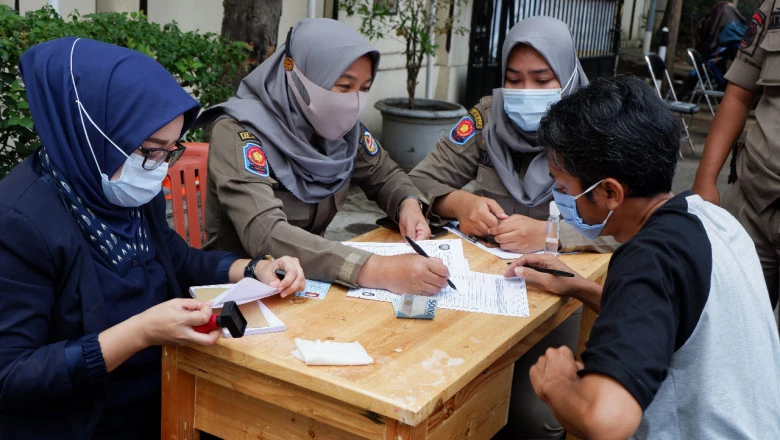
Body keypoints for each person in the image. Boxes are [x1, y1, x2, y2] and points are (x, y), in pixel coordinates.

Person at [0, 37, 306, 439]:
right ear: (94, 133)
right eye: (150, 150)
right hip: (85, 421)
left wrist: (253, 267)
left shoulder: (115, 184)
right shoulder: (19, 220)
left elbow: (172, 256)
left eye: (169, 151)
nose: (158, 167)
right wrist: (140, 332)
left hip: (169, 390)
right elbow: (12, 376)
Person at [505, 75, 780, 439]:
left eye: (561, 186)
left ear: (609, 192)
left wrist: (558, 384)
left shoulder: (648, 259)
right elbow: (674, 320)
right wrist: (582, 288)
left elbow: (605, 418)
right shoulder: (710, 219)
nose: (558, 198)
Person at [197, 18, 449, 295]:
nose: (354, 101)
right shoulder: (237, 133)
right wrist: (375, 269)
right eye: (343, 86)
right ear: (299, 77)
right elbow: (266, 233)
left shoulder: (342, 129)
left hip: (312, 282)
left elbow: (384, 175)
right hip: (241, 290)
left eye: (364, 88)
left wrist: (408, 204)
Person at [409, 16, 618, 255]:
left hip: (569, 279)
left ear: (568, 76)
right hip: (487, 271)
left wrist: (555, 234)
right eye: (514, 79)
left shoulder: (600, 128)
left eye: (542, 80)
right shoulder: (488, 120)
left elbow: (641, 223)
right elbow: (412, 185)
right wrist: (458, 204)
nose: (526, 91)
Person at [692, 0, 780, 312]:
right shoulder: (775, 8)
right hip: (753, 199)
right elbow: (738, 95)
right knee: (731, 319)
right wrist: (705, 180)